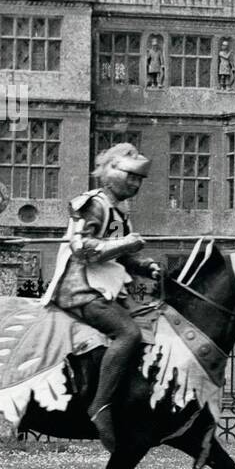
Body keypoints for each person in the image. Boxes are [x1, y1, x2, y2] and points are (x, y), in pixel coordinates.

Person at [42, 143, 160, 452]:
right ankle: (100, 406)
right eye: (130, 177)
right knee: (127, 333)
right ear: (110, 172)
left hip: (103, 285)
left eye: (139, 180)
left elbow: (119, 256)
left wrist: (145, 266)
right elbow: (83, 249)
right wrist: (126, 245)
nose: (134, 185)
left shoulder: (120, 211)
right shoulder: (93, 204)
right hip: (78, 286)